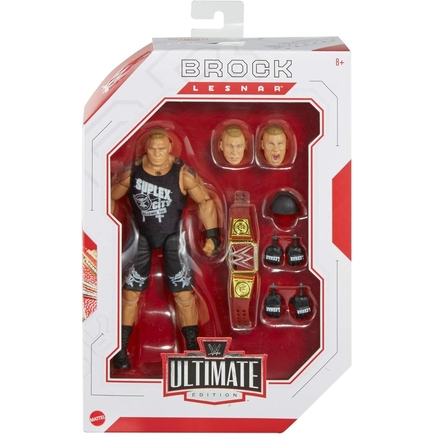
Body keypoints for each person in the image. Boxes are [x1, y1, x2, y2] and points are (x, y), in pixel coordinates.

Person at [111, 128, 220, 369]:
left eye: (161, 148)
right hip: (141, 236)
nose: (157, 153)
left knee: (184, 294)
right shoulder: (132, 173)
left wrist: (212, 236)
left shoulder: (183, 174)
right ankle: (120, 348)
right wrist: (105, 231)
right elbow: (109, 196)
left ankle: (192, 347)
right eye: (152, 149)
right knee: (129, 293)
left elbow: (205, 201)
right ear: (146, 149)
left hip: (173, 238)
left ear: (169, 148)